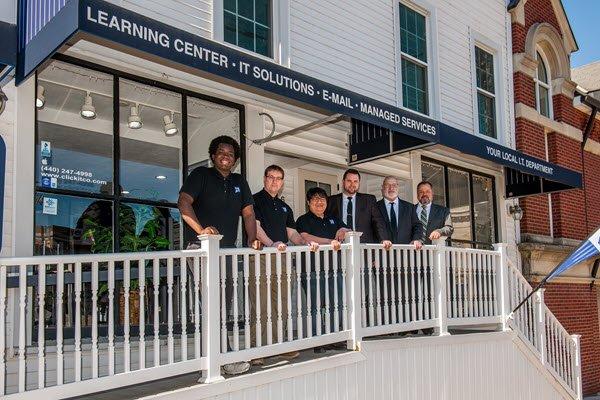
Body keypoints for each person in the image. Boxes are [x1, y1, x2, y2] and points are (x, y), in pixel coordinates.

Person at [178, 135, 261, 375]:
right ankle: (223, 358)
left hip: (227, 250)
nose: (226, 156)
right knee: (213, 302)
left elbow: (248, 213)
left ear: (235, 160)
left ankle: (215, 356)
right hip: (202, 248)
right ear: (213, 155)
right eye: (221, 152)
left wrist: (252, 238)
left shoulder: (238, 181)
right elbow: (184, 202)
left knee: (222, 304)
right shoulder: (201, 175)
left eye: (231, 154)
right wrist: (201, 231)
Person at [251, 165, 316, 364]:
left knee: (282, 303)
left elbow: (292, 234)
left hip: (283, 258)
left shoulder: (284, 207)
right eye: (271, 177)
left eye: (278, 178)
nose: (274, 181)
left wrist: (305, 243)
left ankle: (280, 345)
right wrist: (271, 244)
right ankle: (257, 351)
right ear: (264, 179)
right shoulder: (254, 200)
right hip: (262, 255)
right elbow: (255, 226)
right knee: (262, 304)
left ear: (282, 182)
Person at [296, 187, 351, 351]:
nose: (319, 202)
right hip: (312, 270)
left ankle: (334, 336)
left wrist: (343, 229)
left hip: (334, 269)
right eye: (315, 199)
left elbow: (348, 231)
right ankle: (317, 341)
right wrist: (330, 241)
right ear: (308, 202)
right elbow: (305, 237)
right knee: (315, 306)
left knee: (338, 302)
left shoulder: (333, 219)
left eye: (322, 199)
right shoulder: (303, 219)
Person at [326, 168, 390, 248]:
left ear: (359, 183)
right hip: (338, 248)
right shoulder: (331, 201)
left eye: (355, 181)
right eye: (349, 181)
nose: (352, 184)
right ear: (343, 182)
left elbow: (378, 222)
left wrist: (383, 239)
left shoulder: (369, 200)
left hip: (364, 248)